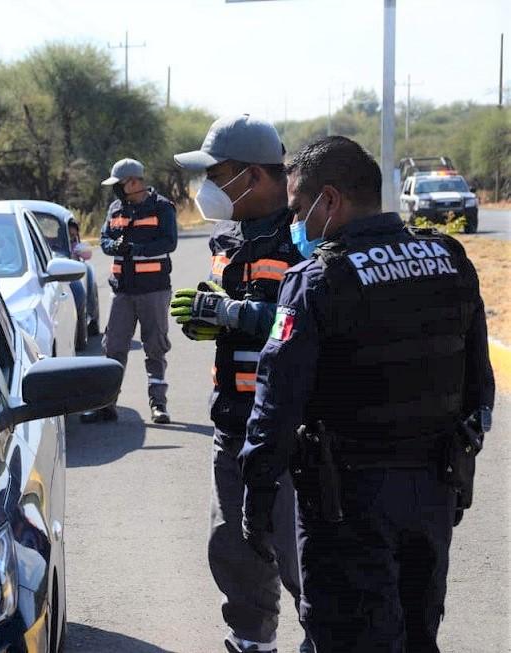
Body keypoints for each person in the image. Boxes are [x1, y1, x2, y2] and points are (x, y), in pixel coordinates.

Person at [240, 136, 495, 653]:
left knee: (346, 634)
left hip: (346, 504)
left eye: (298, 209)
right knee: (419, 633)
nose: (297, 225)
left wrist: (258, 493)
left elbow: (276, 403)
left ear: (329, 200)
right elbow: (479, 389)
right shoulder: (448, 258)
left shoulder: (316, 279)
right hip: (434, 493)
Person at [171, 114, 310, 653]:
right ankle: (252, 641)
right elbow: (232, 311)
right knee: (233, 545)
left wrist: (236, 314)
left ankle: (323, 637)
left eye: (215, 174)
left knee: (301, 553)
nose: (204, 187)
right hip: (233, 420)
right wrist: (209, 317)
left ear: (251, 176)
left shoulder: (305, 234)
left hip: (290, 426)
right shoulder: (227, 235)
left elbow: (308, 322)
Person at [80, 158, 177, 424]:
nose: (116, 191)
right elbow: (104, 239)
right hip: (122, 291)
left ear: (134, 182)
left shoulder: (162, 208)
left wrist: (136, 249)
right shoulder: (115, 208)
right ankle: (107, 404)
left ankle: (159, 404)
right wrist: (116, 246)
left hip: (153, 290)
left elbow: (169, 242)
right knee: (113, 347)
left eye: (119, 185)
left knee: (154, 347)